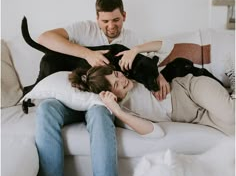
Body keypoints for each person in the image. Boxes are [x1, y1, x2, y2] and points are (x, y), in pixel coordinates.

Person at [25, 0, 173, 176]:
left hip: (100, 102)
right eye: (105, 21)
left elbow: (152, 60)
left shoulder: (133, 40)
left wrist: (160, 76)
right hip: (69, 98)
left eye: (115, 20)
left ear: (124, 16)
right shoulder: (83, 29)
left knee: (100, 113)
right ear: (97, 18)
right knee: (47, 109)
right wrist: (85, 53)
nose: (110, 26)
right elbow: (44, 38)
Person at [69, 56, 235, 137]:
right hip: (195, 116)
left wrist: (158, 75)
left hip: (189, 89)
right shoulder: (124, 113)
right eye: (116, 85)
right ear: (112, 94)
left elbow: (155, 53)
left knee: (230, 113)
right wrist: (117, 111)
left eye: (116, 75)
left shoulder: (132, 71)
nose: (122, 80)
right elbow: (156, 133)